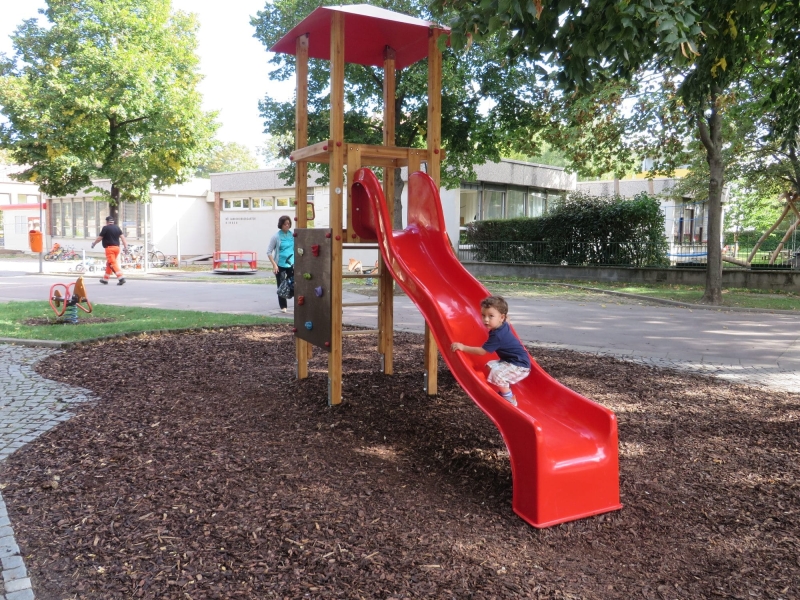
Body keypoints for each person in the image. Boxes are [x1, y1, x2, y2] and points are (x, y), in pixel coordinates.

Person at [450, 295, 531, 406]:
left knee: (497, 374)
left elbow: (481, 351)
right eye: (483, 315)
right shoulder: (503, 324)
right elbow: (508, 320)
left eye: (491, 316)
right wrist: (506, 318)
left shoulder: (498, 335)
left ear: (501, 317)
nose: (486, 320)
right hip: (512, 361)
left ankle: (509, 399)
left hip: (519, 366)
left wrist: (463, 347)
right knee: (490, 366)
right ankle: (504, 385)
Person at [267, 215, 294, 312]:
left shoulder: (293, 235)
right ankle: (283, 307)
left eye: (288, 224)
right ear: (281, 225)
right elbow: (269, 252)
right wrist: (274, 265)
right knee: (282, 285)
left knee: (293, 283)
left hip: (291, 264)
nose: (287, 225)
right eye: (285, 224)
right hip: (280, 264)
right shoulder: (276, 236)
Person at [91, 216, 128, 285]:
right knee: (109, 263)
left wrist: (94, 243)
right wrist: (126, 246)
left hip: (109, 249)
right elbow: (123, 237)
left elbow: (99, 238)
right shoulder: (117, 228)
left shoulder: (105, 228)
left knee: (112, 263)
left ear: (107, 222)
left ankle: (121, 278)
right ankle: (105, 279)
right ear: (113, 222)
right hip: (117, 248)